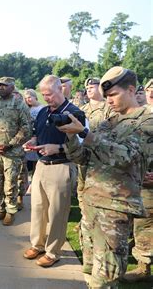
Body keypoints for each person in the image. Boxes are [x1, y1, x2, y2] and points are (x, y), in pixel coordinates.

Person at [58, 67, 152, 288]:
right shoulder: (108, 121)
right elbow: (83, 158)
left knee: (106, 278)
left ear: (131, 90)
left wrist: (85, 134)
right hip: (91, 203)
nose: (108, 101)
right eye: (106, 96)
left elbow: (128, 156)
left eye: (113, 95)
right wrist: (71, 137)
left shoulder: (146, 121)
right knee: (90, 271)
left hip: (114, 208)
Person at [22, 75, 85, 268]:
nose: (46, 98)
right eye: (43, 94)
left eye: (49, 94)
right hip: (41, 165)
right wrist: (33, 142)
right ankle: (38, 244)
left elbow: (83, 145)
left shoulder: (75, 114)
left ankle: (53, 251)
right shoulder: (42, 112)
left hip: (62, 166)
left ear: (61, 89)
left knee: (57, 212)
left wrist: (57, 148)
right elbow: (37, 134)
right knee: (38, 209)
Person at [0, 77, 31, 225]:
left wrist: (9, 144)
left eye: (5, 86)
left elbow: (26, 128)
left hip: (12, 153)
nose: (1, 88)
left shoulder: (19, 105)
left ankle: (10, 211)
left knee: (10, 183)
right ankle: (0, 208)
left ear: (12, 88)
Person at [123, 78, 153, 282]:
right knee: (140, 222)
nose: (151, 94)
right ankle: (141, 263)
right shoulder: (139, 116)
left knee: (146, 223)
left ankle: (144, 266)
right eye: (150, 90)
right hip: (138, 180)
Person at [75, 77, 112, 230]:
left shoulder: (109, 108)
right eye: (87, 88)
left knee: (100, 190)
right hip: (84, 155)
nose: (88, 89)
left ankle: (98, 220)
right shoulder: (82, 110)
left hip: (101, 157)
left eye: (92, 87)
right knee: (82, 188)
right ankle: (85, 218)